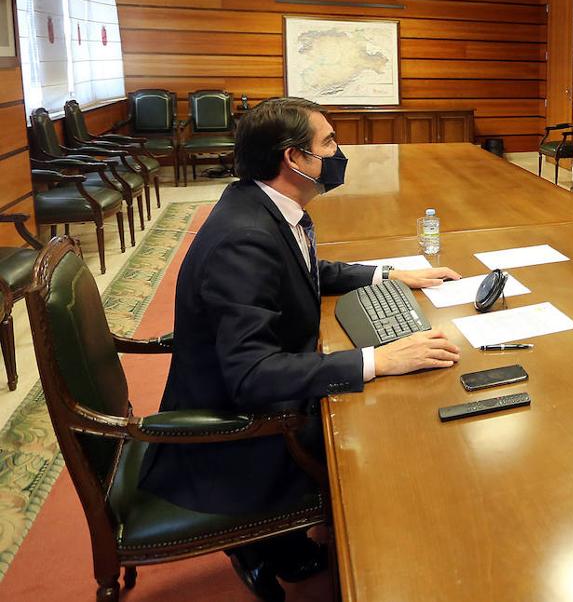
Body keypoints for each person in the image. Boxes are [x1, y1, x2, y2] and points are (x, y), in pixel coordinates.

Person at [139, 97, 461, 601]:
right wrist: (380, 360)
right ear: (294, 159)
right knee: (386, 435)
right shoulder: (243, 239)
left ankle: (292, 538)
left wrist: (389, 274)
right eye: (328, 143)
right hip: (235, 432)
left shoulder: (258, 204)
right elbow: (252, 375)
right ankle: (285, 543)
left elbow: (305, 270)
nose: (338, 152)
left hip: (244, 392)